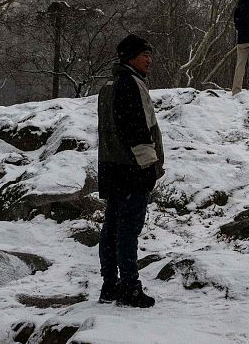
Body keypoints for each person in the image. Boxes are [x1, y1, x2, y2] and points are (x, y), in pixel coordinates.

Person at [97, 34, 164, 308]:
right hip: (132, 170)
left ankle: (110, 285)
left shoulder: (111, 86)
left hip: (113, 170)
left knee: (112, 229)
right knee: (127, 231)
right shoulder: (131, 85)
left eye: (149, 54)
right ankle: (130, 288)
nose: (149, 60)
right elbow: (136, 129)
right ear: (130, 58)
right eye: (144, 54)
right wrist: (149, 167)